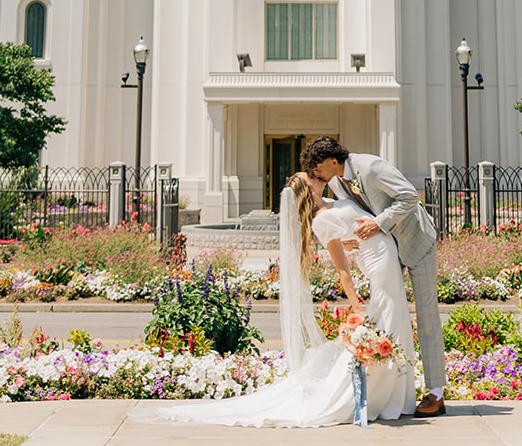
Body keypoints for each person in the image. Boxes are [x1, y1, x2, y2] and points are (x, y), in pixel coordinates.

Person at [131, 169, 417, 426]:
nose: (318, 177)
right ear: (308, 191)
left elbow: (349, 228)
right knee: (384, 327)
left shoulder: (332, 201)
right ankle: (376, 397)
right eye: (313, 178)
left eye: (315, 174)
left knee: (395, 324)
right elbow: (342, 270)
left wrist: (350, 238)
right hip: (379, 268)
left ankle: (393, 395)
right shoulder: (322, 220)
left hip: (382, 260)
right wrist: (357, 306)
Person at [302, 135, 447, 417]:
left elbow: (409, 195)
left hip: (416, 242)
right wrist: (343, 240)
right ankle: (394, 390)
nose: (315, 174)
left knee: (427, 315)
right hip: (387, 251)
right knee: (391, 316)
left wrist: (378, 224)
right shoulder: (335, 181)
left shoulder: (370, 167)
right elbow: (349, 212)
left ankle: (436, 394)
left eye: (317, 168)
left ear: (333, 161)